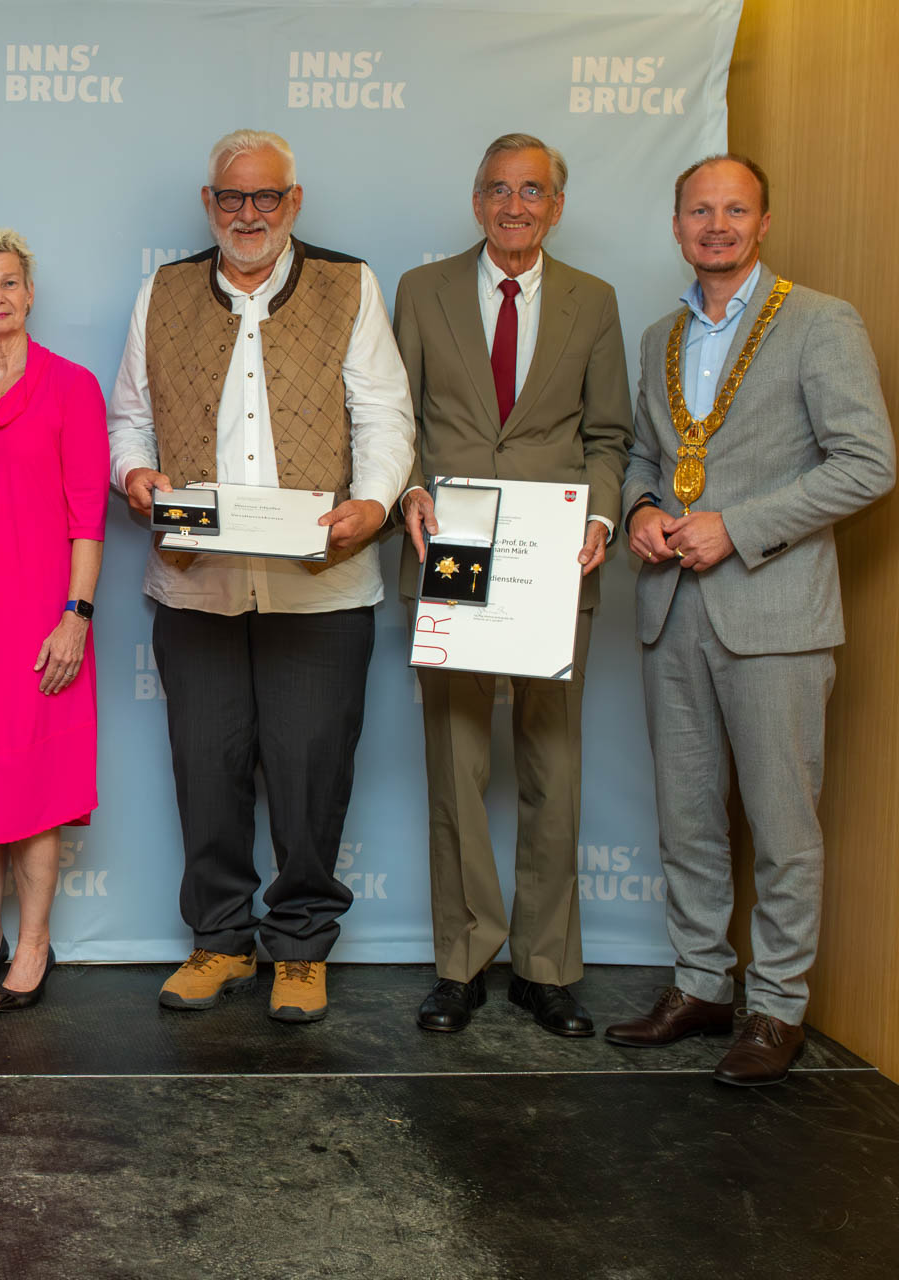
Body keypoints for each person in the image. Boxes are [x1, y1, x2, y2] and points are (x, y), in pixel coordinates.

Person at [110, 129, 415, 1023]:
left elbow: (385, 415)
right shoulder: (163, 291)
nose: (249, 214)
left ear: (294, 201)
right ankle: (219, 942)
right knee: (207, 771)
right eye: (232, 198)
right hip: (196, 584)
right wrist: (134, 473)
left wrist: (374, 503)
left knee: (311, 772)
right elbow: (130, 418)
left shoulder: (350, 285)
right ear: (208, 205)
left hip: (321, 588)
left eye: (266, 197)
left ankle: (302, 948)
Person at [604, 155, 893, 1086]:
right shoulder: (659, 336)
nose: (717, 225)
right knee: (687, 820)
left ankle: (777, 1007)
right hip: (669, 608)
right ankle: (701, 986)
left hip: (775, 614)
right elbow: (644, 455)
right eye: (700, 210)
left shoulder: (820, 322)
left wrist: (740, 527)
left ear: (764, 223)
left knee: (781, 826)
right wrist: (641, 510)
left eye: (735, 210)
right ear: (677, 225)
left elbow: (868, 462)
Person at [391, 134, 631, 1037]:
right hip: (451, 551)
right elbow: (394, 419)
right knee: (456, 766)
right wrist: (409, 490)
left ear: (556, 206)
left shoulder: (592, 301)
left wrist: (600, 517)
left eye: (532, 191)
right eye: (498, 188)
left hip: (552, 562)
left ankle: (545, 967)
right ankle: (462, 963)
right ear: (476, 201)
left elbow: (608, 435)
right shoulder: (421, 291)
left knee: (552, 767)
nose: (514, 205)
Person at [0, 228, 107, 1011]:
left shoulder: (73, 387)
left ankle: (33, 941)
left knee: (34, 785)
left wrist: (77, 615)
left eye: (8, 282)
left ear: (30, 294)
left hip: (44, 617)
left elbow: (88, 518)